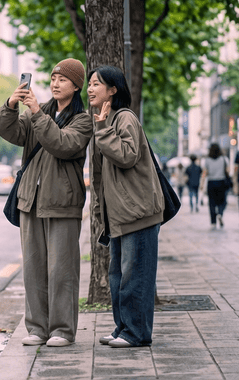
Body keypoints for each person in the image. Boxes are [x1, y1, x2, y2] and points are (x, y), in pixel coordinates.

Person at [0, 58, 93, 348]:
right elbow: (11, 132)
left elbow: (63, 145)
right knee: (34, 269)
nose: (54, 83)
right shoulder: (39, 112)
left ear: (76, 86)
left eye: (62, 79)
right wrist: (11, 107)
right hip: (31, 201)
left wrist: (37, 112)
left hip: (62, 202)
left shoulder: (82, 120)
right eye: (52, 78)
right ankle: (37, 328)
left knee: (61, 271)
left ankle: (62, 330)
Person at [88, 65, 163, 349]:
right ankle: (123, 328)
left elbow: (127, 156)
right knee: (119, 277)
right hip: (120, 215)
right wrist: (100, 211)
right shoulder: (103, 121)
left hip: (139, 213)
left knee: (136, 278)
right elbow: (99, 176)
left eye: (97, 84)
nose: (90, 89)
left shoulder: (124, 118)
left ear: (113, 89)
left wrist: (103, 129)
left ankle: (136, 333)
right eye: (90, 84)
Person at [201, 143, 229, 229]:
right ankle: (220, 213)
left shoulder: (207, 160)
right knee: (222, 201)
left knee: (212, 203)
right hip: (221, 182)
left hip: (211, 182)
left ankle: (213, 222)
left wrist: (202, 184)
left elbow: (205, 173)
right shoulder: (224, 159)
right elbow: (227, 171)